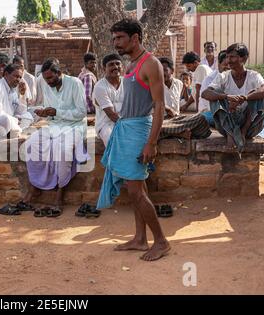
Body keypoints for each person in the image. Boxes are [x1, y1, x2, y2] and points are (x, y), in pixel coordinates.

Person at [97, 18, 170, 261]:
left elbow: (159, 106)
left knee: (137, 192)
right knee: (136, 187)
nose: (115, 42)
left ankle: (161, 241)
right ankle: (140, 239)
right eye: (114, 38)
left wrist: (151, 142)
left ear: (135, 37)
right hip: (127, 131)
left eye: (119, 38)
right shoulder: (132, 63)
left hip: (139, 131)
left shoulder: (151, 64)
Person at [20, 58, 88, 216]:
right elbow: (49, 111)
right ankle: (35, 187)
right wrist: (45, 112)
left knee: (63, 151)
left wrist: (56, 112)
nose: (47, 82)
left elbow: (81, 112)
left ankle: (60, 193)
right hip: (54, 125)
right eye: (45, 78)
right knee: (31, 144)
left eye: (50, 78)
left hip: (75, 126)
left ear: (59, 73)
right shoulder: (44, 82)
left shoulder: (75, 83)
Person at [201, 43, 264, 152]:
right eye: (227, 57)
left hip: (250, 128)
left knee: (257, 93)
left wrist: (245, 98)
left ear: (243, 58)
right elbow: (205, 93)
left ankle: (242, 132)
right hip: (225, 127)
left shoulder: (254, 76)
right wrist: (226, 97)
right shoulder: (223, 76)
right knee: (215, 93)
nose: (228, 60)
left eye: (232, 57)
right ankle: (230, 133)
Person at [159, 57, 211, 140]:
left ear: (172, 70)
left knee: (201, 119)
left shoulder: (179, 83)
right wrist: (168, 109)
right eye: (159, 70)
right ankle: (179, 134)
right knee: (154, 129)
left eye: (164, 70)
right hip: (162, 120)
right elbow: (154, 102)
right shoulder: (155, 85)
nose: (161, 73)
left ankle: (176, 132)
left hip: (177, 120)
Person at [93, 53, 124, 146]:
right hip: (106, 125)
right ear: (104, 69)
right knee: (113, 141)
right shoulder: (100, 86)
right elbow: (111, 114)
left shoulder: (127, 82)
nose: (115, 67)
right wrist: (128, 128)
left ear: (122, 66)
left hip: (126, 121)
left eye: (118, 64)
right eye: (111, 65)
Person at [199, 50, 230, 126]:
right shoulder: (210, 79)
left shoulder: (232, 77)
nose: (228, 67)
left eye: (231, 65)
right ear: (219, 64)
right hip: (210, 112)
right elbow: (208, 100)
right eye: (225, 64)